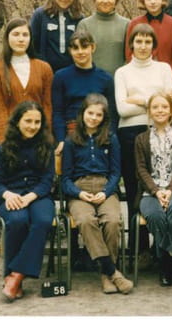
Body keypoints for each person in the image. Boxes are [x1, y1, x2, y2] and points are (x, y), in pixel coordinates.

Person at [114, 23, 172, 256]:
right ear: (131, 45)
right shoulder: (122, 72)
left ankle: (162, 247)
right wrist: (157, 101)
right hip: (130, 134)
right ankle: (138, 248)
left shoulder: (163, 69)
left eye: (147, 42)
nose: (143, 46)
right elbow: (122, 109)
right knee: (135, 189)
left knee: (160, 185)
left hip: (160, 132)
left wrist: (139, 99)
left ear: (154, 45)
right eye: (138, 41)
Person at [61, 93, 133, 294]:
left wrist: (106, 191)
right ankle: (113, 273)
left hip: (105, 187)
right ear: (82, 113)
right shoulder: (71, 140)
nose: (93, 118)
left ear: (104, 117)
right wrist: (78, 193)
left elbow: (116, 172)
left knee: (112, 221)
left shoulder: (111, 138)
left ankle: (105, 276)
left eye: (98, 115)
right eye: (90, 113)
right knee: (85, 220)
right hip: (80, 189)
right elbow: (65, 179)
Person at [0, 101, 56, 302]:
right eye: (28, 121)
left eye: (37, 122)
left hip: (38, 196)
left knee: (42, 221)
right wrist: (8, 195)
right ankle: (12, 277)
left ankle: (15, 276)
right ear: (17, 121)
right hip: (11, 196)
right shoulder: (4, 148)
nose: (32, 126)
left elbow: (47, 181)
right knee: (18, 220)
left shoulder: (46, 146)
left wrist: (30, 196)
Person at [134, 92, 172, 287]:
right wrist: (156, 191)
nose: (160, 110)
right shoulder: (141, 139)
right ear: (149, 112)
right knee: (155, 215)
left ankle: (167, 260)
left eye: (164, 107)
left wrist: (170, 190)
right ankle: (171, 260)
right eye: (155, 107)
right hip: (150, 192)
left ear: (171, 111)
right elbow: (141, 169)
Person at [51, 29, 117, 157]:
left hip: (99, 133)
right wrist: (61, 140)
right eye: (75, 48)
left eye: (84, 47)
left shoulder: (106, 79)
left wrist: (108, 138)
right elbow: (58, 112)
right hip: (71, 133)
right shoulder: (60, 77)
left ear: (93, 47)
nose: (80, 52)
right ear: (70, 51)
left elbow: (112, 114)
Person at [0, 18, 53, 142]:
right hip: (10, 138)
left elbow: (47, 106)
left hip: (38, 136)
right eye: (16, 34)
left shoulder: (44, 68)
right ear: (7, 38)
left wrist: (45, 134)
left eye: (25, 35)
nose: (21, 39)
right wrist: (5, 140)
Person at [125, 0, 172, 80]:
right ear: (143, 1)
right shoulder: (134, 23)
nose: (153, 2)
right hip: (139, 77)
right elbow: (129, 54)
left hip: (165, 77)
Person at [77, 0, 130, 76]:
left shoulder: (127, 24)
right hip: (92, 80)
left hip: (119, 80)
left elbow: (130, 58)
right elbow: (79, 57)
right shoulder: (84, 25)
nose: (105, 1)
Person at [29, 0, 83, 72]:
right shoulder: (40, 15)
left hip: (72, 73)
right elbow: (32, 45)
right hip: (44, 72)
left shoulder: (79, 18)